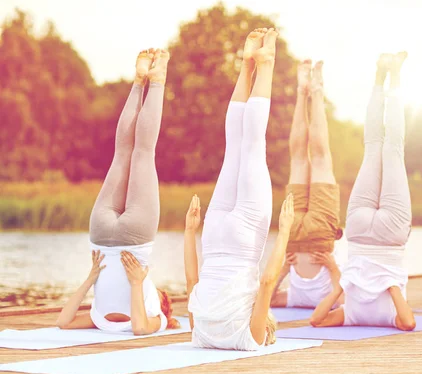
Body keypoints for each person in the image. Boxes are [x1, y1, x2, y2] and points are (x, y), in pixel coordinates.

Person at [184, 28, 296, 351]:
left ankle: (266, 62)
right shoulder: (199, 333)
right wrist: (190, 232)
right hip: (213, 236)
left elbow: (266, 281)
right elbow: (192, 282)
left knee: (251, 145)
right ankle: (247, 64)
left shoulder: (250, 338)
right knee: (233, 147)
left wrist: (284, 230)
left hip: (243, 241)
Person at [56, 49, 180, 334]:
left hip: (110, 241)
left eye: (161, 293)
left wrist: (91, 279)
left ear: (162, 303)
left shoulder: (104, 316)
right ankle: (140, 81)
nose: (157, 288)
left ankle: (151, 80)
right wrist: (136, 284)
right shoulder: (156, 321)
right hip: (105, 236)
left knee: (138, 153)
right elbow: (138, 328)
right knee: (128, 153)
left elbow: (63, 323)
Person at [309, 53, 416, 331]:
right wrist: (388, 283)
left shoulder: (351, 316)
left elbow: (316, 321)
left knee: (385, 146)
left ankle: (387, 76)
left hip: (366, 237)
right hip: (376, 237)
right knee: (381, 146)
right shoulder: (360, 316)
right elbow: (408, 323)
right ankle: (387, 76)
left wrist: (342, 286)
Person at [270, 59, 344, 309]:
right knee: (303, 159)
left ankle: (310, 91)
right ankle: (309, 91)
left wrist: (284, 270)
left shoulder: (295, 299)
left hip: (304, 238)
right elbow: (347, 299)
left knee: (314, 159)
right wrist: (332, 267)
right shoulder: (306, 300)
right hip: (308, 238)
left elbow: (266, 300)